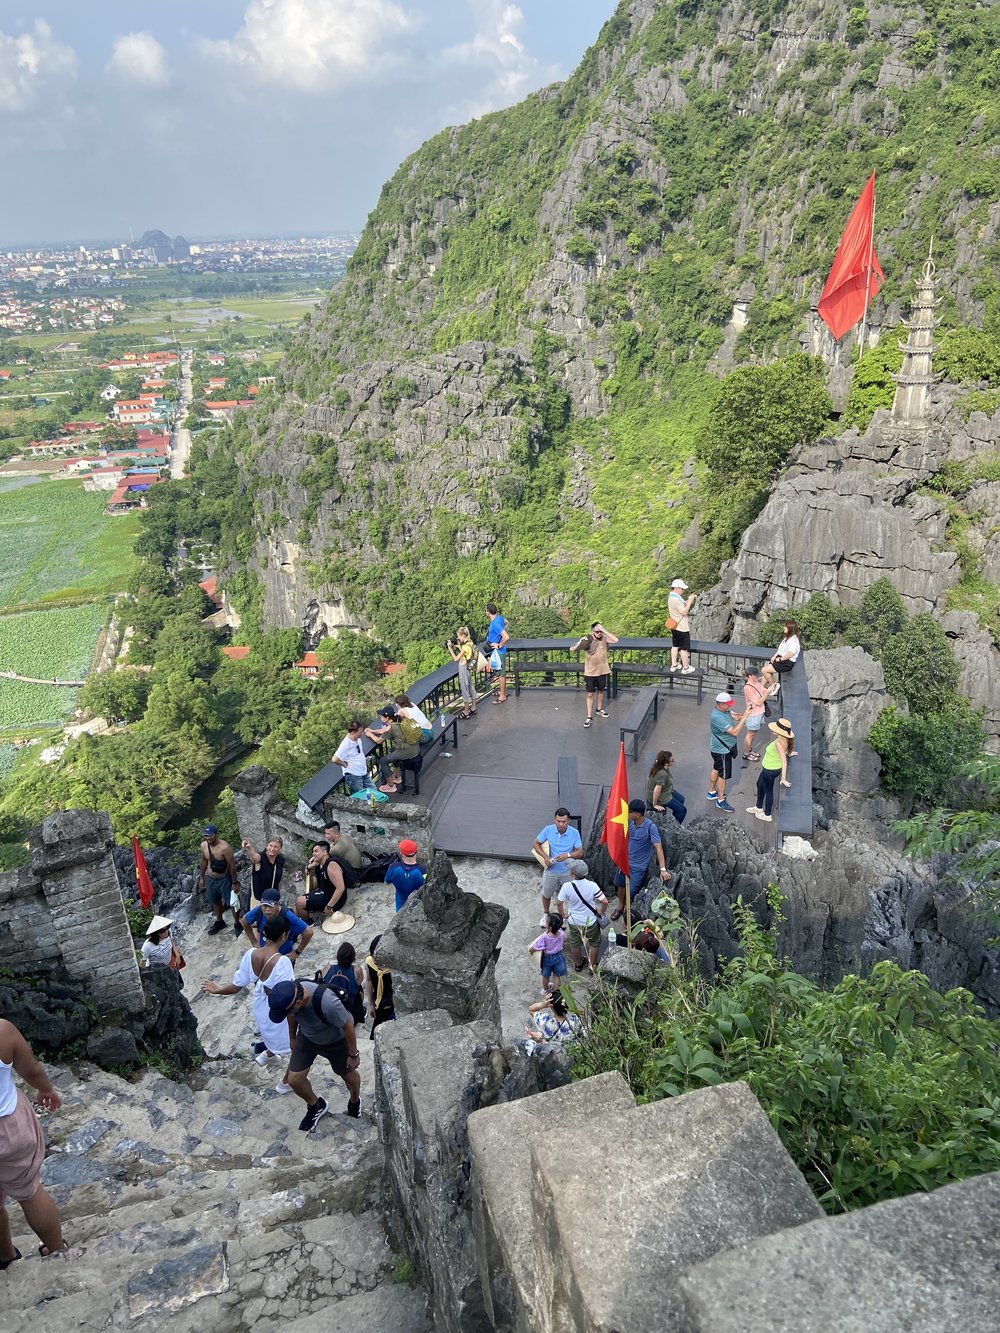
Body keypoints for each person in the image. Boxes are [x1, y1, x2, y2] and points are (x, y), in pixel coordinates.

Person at [0, 1019, 83, 1265]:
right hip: (9, 1129)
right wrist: (46, 1089)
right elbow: (32, 1071)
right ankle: (57, 1250)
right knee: (29, 1192)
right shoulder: (3, 1030)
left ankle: (5, 1255)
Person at [202, 919, 295, 1091]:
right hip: (276, 1012)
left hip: (260, 1006)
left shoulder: (252, 954)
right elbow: (286, 997)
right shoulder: (283, 963)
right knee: (298, 1046)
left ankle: (268, 1055)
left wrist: (217, 990)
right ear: (284, 935)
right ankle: (286, 1083)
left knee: (269, 1033)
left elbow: (236, 987)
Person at [267, 977, 362, 1129]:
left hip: (336, 1042)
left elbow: (348, 1026)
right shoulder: (293, 997)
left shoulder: (328, 1003)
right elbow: (291, 1015)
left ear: (298, 1003)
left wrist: (353, 1055)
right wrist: (292, 1037)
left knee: (348, 1075)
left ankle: (355, 1101)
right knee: (294, 1080)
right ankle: (316, 1105)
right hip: (307, 1038)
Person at [610, 799, 672, 919]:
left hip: (638, 867)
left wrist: (663, 869)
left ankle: (628, 911)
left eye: (630, 812)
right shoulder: (629, 823)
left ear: (637, 814)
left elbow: (658, 848)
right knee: (620, 884)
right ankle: (620, 906)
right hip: (625, 863)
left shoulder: (650, 827)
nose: (628, 814)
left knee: (631, 891)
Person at [532, 808, 584, 925]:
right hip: (551, 870)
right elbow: (536, 843)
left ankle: (569, 915)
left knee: (571, 894)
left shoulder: (574, 832)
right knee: (546, 893)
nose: (560, 824)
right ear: (554, 820)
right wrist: (546, 857)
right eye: (558, 821)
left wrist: (568, 855)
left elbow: (580, 852)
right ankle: (546, 914)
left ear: (568, 821)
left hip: (568, 871)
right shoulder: (548, 830)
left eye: (563, 821)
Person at [557, 859, 608, 973]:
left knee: (575, 943)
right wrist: (600, 911)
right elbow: (605, 902)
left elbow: (559, 902)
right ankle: (592, 966)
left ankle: (578, 964)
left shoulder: (566, 886)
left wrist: (563, 914)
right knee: (594, 943)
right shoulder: (592, 885)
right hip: (590, 921)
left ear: (572, 874)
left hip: (574, 921)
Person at [569, 621, 619, 728]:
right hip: (590, 672)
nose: (599, 633)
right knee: (590, 694)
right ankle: (589, 716)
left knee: (600, 691)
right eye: (597, 631)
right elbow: (572, 649)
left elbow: (616, 640)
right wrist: (579, 642)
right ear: (593, 632)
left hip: (602, 670)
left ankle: (599, 709)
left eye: (600, 631)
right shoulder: (588, 639)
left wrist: (604, 629)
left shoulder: (604, 638)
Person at [243, 889, 313, 963]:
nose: (267, 910)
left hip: (283, 957)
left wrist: (297, 952)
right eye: (264, 906)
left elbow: (308, 932)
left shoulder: (288, 916)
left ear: (277, 905)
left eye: (270, 906)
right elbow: (244, 921)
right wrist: (253, 942)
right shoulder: (259, 911)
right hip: (264, 955)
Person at [747, 719, 795, 823]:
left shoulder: (778, 742)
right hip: (768, 768)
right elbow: (784, 751)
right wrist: (790, 753)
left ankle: (767, 814)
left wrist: (783, 778)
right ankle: (758, 807)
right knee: (759, 784)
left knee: (768, 792)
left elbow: (784, 761)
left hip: (770, 770)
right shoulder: (785, 740)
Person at [707, 692, 747, 814]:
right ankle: (720, 800)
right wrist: (745, 718)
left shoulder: (724, 711)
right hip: (722, 751)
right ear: (720, 704)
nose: (729, 706)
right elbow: (734, 732)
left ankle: (711, 792)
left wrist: (747, 712)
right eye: (727, 704)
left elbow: (737, 716)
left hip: (717, 749)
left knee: (716, 768)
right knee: (723, 776)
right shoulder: (717, 717)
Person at [296, 841, 352, 922]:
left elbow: (340, 888)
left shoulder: (331, 866)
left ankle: (308, 923)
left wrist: (329, 906)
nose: (313, 854)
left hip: (334, 900)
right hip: (325, 891)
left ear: (325, 852)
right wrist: (309, 866)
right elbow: (310, 879)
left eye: (316, 851)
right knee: (299, 903)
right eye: (313, 852)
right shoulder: (320, 863)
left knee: (299, 902)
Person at [370, 705, 420, 793]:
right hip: (415, 748)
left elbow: (378, 741)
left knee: (383, 760)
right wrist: (373, 731)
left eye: (382, 716)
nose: (380, 718)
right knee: (393, 750)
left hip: (406, 752)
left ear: (387, 717)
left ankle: (390, 785)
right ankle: (397, 776)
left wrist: (369, 733)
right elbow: (385, 730)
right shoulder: (401, 720)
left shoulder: (392, 728)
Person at [198, 824, 238, 937]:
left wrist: (234, 883)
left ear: (216, 834)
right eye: (206, 836)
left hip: (224, 879)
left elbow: (232, 866)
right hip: (210, 878)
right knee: (215, 900)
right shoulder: (204, 846)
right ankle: (219, 921)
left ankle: (237, 922)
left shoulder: (225, 847)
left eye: (210, 835)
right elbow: (204, 861)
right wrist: (202, 877)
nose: (208, 838)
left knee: (232, 902)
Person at [331, 720, 379, 796]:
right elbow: (334, 759)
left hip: (363, 772)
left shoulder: (358, 739)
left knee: (374, 793)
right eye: (360, 731)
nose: (361, 733)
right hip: (354, 775)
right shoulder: (345, 745)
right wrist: (344, 764)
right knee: (360, 798)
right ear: (353, 732)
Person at [364, 935, 395, 1036]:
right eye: (374, 959)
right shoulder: (369, 963)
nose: (376, 963)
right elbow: (368, 981)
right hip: (379, 1000)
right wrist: (370, 1003)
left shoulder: (394, 968)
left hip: (393, 1002)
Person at [529, 914, 568, 992]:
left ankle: (545, 990)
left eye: (546, 922)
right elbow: (563, 943)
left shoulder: (544, 937)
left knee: (546, 975)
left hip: (547, 959)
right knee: (557, 975)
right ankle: (556, 992)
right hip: (559, 956)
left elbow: (535, 947)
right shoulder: (562, 933)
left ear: (550, 927)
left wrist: (530, 951)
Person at [385, 839, 426, 914]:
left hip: (400, 902)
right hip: (416, 903)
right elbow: (426, 885)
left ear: (401, 853)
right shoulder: (423, 870)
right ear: (417, 852)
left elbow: (387, 882)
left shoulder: (393, 867)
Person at [646, 750, 687, 824]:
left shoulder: (660, 767)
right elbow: (656, 791)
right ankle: (674, 826)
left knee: (681, 799)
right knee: (682, 810)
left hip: (666, 790)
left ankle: (672, 819)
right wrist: (655, 804)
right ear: (666, 763)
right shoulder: (662, 774)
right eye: (672, 761)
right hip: (662, 796)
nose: (673, 762)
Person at [761, 619, 801, 694]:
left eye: (786, 627)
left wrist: (780, 659)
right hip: (780, 658)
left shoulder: (794, 641)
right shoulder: (787, 638)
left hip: (786, 662)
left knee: (764, 670)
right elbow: (780, 650)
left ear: (790, 629)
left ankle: (774, 685)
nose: (784, 628)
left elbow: (790, 654)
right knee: (766, 672)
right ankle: (760, 689)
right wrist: (774, 656)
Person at [242, 836, 285, 904]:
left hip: (273, 899)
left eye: (275, 847)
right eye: (270, 846)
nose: (272, 849)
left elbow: (278, 880)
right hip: (260, 899)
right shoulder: (261, 858)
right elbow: (255, 858)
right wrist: (249, 847)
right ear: (267, 846)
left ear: (280, 849)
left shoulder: (280, 860)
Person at [667, 578, 697, 674]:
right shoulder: (676, 599)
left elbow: (683, 605)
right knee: (684, 649)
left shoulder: (671, 597)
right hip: (682, 628)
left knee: (675, 646)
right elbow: (684, 611)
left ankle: (674, 665)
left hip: (674, 627)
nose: (683, 591)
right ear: (677, 588)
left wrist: (689, 599)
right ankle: (685, 668)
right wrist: (691, 601)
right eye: (682, 589)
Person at [447, 626, 477, 718]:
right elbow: (467, 654)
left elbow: (456, 659)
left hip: (463, 667)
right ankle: (474, 707)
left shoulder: (465, 647)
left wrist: (450, 648)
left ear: (463, 635)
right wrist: (459, 647)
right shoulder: (470, 643)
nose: (458, 638)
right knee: (471, 686)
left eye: (458, 636)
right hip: (468, 667)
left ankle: (466, 711)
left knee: (465, 688)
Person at [741, 667, 769, 763]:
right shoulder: (747, 688)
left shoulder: (756, 683)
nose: (757, 676)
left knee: (753, 734)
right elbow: (758, 702)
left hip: (760, 712)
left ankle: (749, 750)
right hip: (753, 714)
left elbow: (763, 690)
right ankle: (746, 753)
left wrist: (770, 689)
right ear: (749, 676)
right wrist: (768, 693)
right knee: (750, 735)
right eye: (755, 675)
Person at [485, 601, 509, 704]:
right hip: (496, 651)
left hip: (499, 651)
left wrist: (499, 644)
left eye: (485, 611)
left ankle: (502, 696)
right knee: (499, 672)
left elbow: (506, 636)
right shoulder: (499, 618)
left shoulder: (495, 623)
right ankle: (501, 691)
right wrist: (499, 636)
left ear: (488, 612)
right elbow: (506, 622)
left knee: (501, 674)